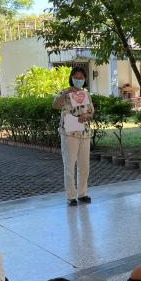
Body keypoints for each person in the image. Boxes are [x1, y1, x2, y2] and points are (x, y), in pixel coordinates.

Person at [53, 66, 95, 206]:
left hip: (84, 133)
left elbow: (91, 112)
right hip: (69, 133)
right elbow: (55, 105)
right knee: (69, 165)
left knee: (84, 166)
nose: (78, 79)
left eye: (81, 77)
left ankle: (82, 194)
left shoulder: (86, 94)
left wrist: (86, 115)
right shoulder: (65, 92)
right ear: (71, 78)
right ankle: (71, 196)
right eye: (76, 77)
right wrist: (65, 93)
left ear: (85, 79)